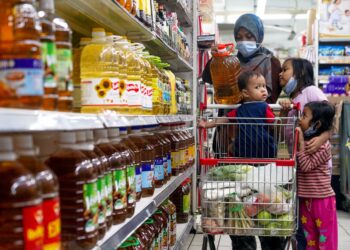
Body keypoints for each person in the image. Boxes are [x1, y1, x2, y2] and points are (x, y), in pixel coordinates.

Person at [199, 71, 284, 250]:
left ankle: (258, 233)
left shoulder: (265, 107)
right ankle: (247, 233)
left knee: (261, 189)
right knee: (246, 191)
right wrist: (208, 124)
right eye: (257, 87)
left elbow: (275, 123)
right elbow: (225, 119)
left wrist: (284, 114)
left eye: (264, 87)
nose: (263, 90)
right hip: (243, 158)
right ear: (245, 93)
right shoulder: (239, 110)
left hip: (264, 157)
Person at [279, 58, 333, 250]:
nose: (280, 74)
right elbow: (283, 133)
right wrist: (284, 113)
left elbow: (328, 115)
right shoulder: (293, 99)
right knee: (303, 227)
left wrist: (322, 137)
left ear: (300, 73)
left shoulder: (310, 92)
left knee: (317, 230)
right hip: (301, 171)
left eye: (285, 69)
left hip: (315, 173)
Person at [202, 13, 282, 104]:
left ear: (259, 37)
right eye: (239, 37)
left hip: (256, 115)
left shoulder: (271, 62)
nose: (243, 41)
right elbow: (207, 78)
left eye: (249, 36)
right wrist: (216, 58)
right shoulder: (230, 61)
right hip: (229, 115)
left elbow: (272, 98)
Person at [295, 101, 338, 250]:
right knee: (310, 240)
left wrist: (300, 143)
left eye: (304, 116)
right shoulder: (307, 142)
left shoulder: (323, 146)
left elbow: (306, 166)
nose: (300, 119)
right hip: (306, 200)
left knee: (326, 241)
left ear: (317, 124)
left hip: (322, 201)